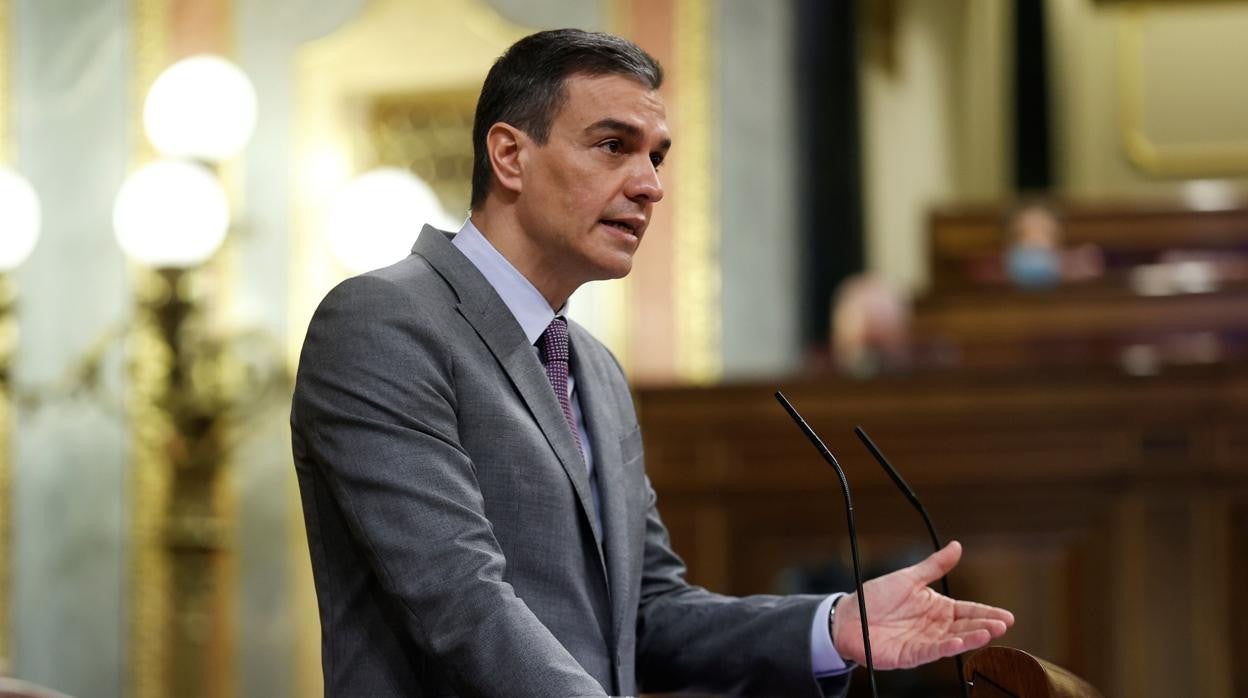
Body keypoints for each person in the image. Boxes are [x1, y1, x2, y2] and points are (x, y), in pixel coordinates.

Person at [290, 28, 1013, 697]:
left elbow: (648, 615)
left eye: (657, 155)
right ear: (510, 155)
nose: (650, 184)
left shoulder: (594, 369)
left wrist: (830, 629)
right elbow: (458, 599)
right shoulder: (383, 321)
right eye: (613, 145)